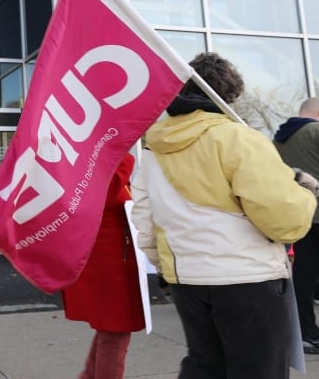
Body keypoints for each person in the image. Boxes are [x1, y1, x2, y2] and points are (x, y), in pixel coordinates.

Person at [130, 52, 317, 379]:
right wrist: (306, 192)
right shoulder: (239, 139)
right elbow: (284, 221)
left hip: (187, 282)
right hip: (247, 280)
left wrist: (167, 270)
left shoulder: (153, 150)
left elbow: (145, 220)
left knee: (203, 367)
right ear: (229, 93)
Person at [61, 153, 145, 379]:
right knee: (115, 334)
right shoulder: (104, 163)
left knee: (109, 330)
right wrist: (122, 156)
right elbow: (111, 194)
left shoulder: (83, 162)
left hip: (107, 257)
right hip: (109, 261)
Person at [273, 97, 319, 354]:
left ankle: (305, 333)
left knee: (303, 277)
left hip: (299, 215)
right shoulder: (315, 131)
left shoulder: (279, 137)